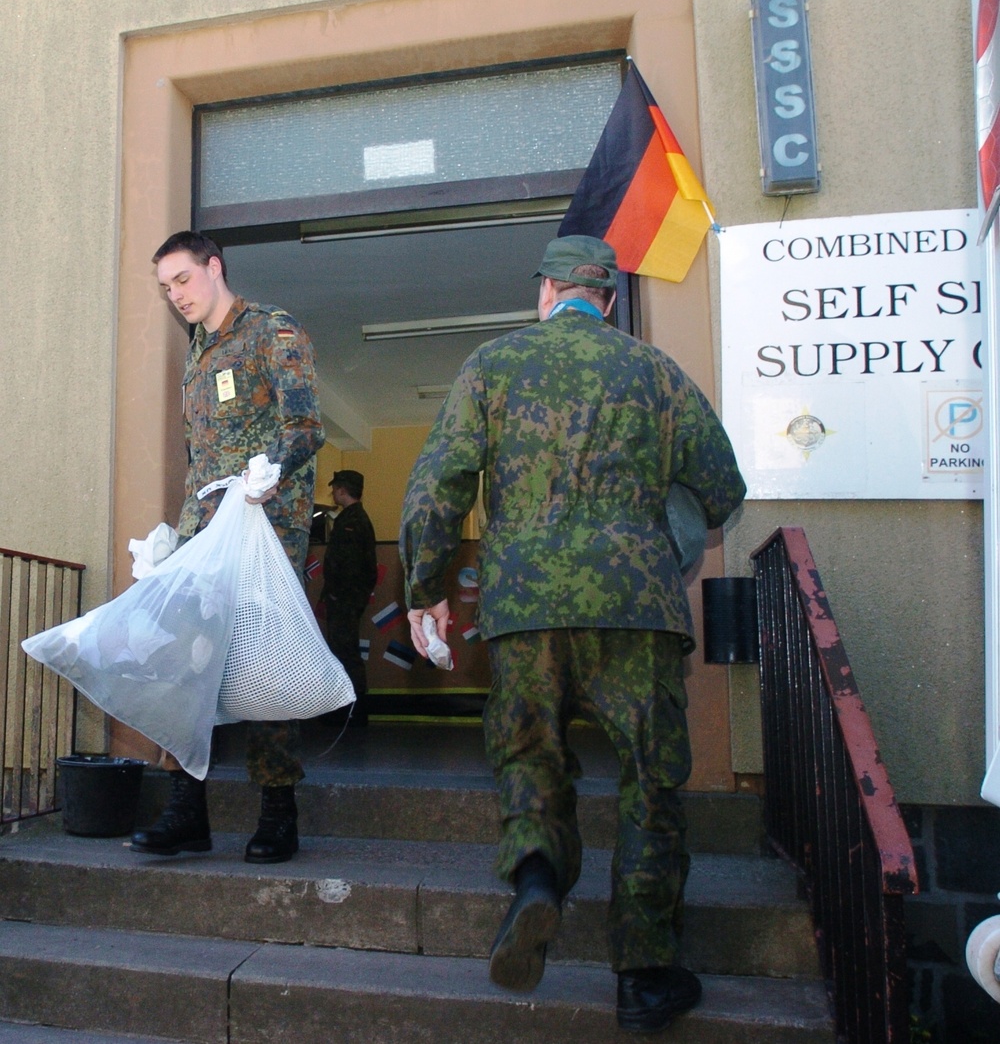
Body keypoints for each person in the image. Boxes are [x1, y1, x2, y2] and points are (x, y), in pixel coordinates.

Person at [400, 235, 745, 1034]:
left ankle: (535, 881)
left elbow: (437, 484)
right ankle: (645, 974)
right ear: (611, 298)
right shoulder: (656, 372)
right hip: (639, 607)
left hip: (524, 608)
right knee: (650, 783)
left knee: (530, 756)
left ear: (547, 291)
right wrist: (670, 530)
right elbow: (722, 485)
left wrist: (426, 590)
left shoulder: (492, 364)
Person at [130, 230, 325, 865]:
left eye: (183, 280)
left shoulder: (273, 331)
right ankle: (187, 811)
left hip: (264, 527)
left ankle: (278, 812)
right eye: (165, 288)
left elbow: (305, 426)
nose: (175, 295)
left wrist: (268, 476)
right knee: (189, 659)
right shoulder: (197, 351)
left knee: (263, 662)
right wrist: (177, 532)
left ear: (214, 268)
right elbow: (202, 455)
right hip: (203, 531)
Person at [321, 469, 378, 724]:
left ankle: (350, 709)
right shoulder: (357, 519)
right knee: (345, 649)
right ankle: (352, 708)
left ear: (343, 490)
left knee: (344, 650)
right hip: (349, 598)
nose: (333, 493)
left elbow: (347, 565)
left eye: (335, 488)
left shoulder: (351, 522)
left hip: (344, 599)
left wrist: (335, 594)